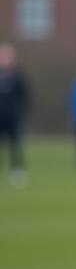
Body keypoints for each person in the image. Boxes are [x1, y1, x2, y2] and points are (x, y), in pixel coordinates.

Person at [0, 43, 29, 188]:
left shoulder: (17, 76)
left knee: (15, 144)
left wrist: (19, 111)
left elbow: (25, 96)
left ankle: (17, 171)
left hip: (13, 117)